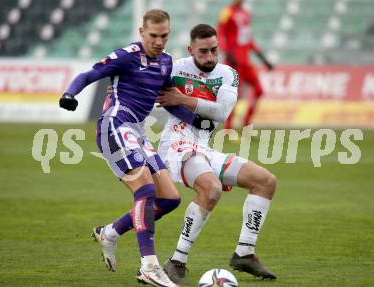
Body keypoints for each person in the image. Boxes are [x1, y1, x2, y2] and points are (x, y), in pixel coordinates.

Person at [59, 9, 209, 287]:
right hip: (115, 123)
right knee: (145, 190)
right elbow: (90, 74)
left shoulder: (165, 63)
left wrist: (199, 122)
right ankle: (149, 266)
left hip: (137, 132)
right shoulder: (126, 56)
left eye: (164, 36)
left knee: (169, 199)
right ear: (142, 33)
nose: (159, 41)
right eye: (153, 36)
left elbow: (170, 102)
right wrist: (70, 93)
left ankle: (110, 233)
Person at [155, 24, 278, 284]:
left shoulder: (227, 73)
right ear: (191, 50)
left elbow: (222, 112)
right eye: (203, 52)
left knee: (265, 181)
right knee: (211, 189)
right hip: (176, 146)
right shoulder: (175, 68)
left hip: (206, 148)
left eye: (214, 50)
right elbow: (144, 86)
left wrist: (183, 99)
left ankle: (244, 253)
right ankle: (177, 260)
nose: (210, 57)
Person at [217, 0, 273, 129]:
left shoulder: (245, 13)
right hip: (234, 61)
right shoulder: (227, 12)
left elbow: (248, 39)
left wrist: (262, 58)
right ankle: (228, 129)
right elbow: (220, 32)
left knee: (259, 90)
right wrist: (227, 52)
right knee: (235, 95)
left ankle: (246, 123)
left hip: (245, 61)